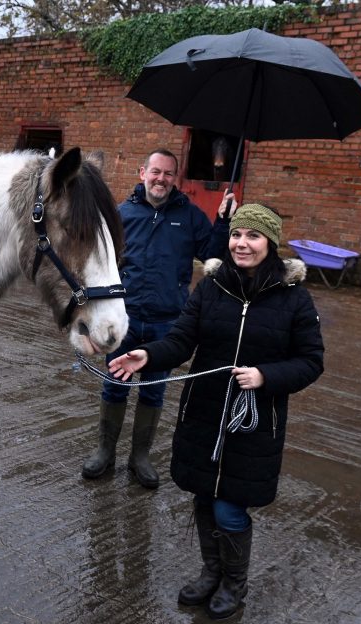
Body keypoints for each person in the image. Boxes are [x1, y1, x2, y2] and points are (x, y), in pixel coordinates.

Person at [107, 204, 324, 619]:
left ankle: (233, 583)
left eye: (253, 236)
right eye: (237, 235)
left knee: (230, 505)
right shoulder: (210, 288)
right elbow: (181, 341)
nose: (241, 243)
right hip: (204, 409)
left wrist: (266, 376)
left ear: (271, 243)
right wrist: (146, 355)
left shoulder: (294, 298)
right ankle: (211, 573)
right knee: (205, 497)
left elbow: (311, 361)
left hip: (253, 419)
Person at [82, 148, 237, 489]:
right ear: (142, 173)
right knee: (115, 385)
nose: (161, 179)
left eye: (168, 174)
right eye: (155, 172)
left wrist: (224, 222)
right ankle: (104, 451)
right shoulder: (122, 214)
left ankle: (140, 457)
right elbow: (101, 265)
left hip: (167, 324)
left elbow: (213, 255)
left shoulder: (190, 216)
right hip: (125, 318)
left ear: (175, 179)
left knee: (153, 392)